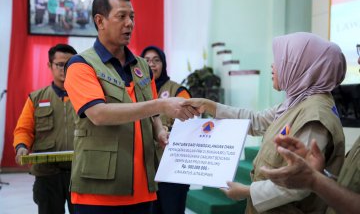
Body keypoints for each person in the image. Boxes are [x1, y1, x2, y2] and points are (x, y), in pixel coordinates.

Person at [64, 0, 198, 214]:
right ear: (100, 21)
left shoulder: (142, 67)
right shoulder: (81, 65)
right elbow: (99, 114)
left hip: (143, 188)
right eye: (121, 16)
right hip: (99, 192)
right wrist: (161, 106)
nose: (129, 23)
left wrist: (159, 131)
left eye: (132, 17)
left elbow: (152, 113)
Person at [183, 32, 347, 213]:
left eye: (281, 60)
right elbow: (257, 121)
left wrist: (247, 191)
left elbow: (300, 183)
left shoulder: (315, 116)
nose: (273, 65)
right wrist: (210, 106)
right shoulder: (298, 102)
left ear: (302, 66)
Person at [260, 51, 360, 214]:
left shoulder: (315, 112)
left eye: (284, 61)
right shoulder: (297, 102)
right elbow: (350, 184)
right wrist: (321, 175)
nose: (359, 59)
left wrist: (314, 180)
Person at [13, 44, 78, 214]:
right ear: (49, 66)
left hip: (80, 172)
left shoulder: (87, 97)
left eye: (70, 64)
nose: (65, 69)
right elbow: (23, 130)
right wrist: (21, 147)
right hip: (47, 174)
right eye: (60, 64)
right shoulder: (36, 98)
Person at [141, 46, 191, 214]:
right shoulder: (137, 92)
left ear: (163, 63)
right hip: (146, 169)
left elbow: (190, 125)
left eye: (156, 60)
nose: (151, 64)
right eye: (146, 60)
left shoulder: (177, 91)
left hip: (173, 168)